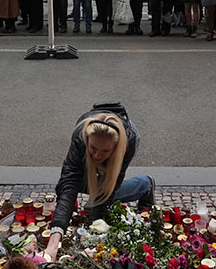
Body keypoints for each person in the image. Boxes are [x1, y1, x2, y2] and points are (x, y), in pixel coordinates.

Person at [43, 103, 155, 261]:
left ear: (114, 149)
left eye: (104, 151)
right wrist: (54, 242)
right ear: (87, 140)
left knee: (105, 189)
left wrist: (94, 229)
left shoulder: (126, 144)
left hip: (124, 135)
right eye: (93, 149)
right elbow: (68, 183)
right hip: (99, 132)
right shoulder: (80, 138)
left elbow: (110, 186)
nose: (96, 156)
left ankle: (145, 185)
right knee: (78, 183)